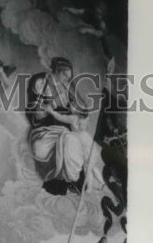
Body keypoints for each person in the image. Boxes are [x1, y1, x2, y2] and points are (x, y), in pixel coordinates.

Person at [26, 57, 101, 194]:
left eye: (69, 76)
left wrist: (83, 117)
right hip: (46, 127)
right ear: (56, 71)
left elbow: (80, 108)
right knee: (61, 143)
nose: (67, 79)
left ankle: (77, 182)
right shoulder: (41, 82)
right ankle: (64, 182)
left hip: (65, 127)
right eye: (64, 75)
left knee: (74, 142)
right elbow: (35, 111)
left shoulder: (67, 86)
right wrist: (53, 105)